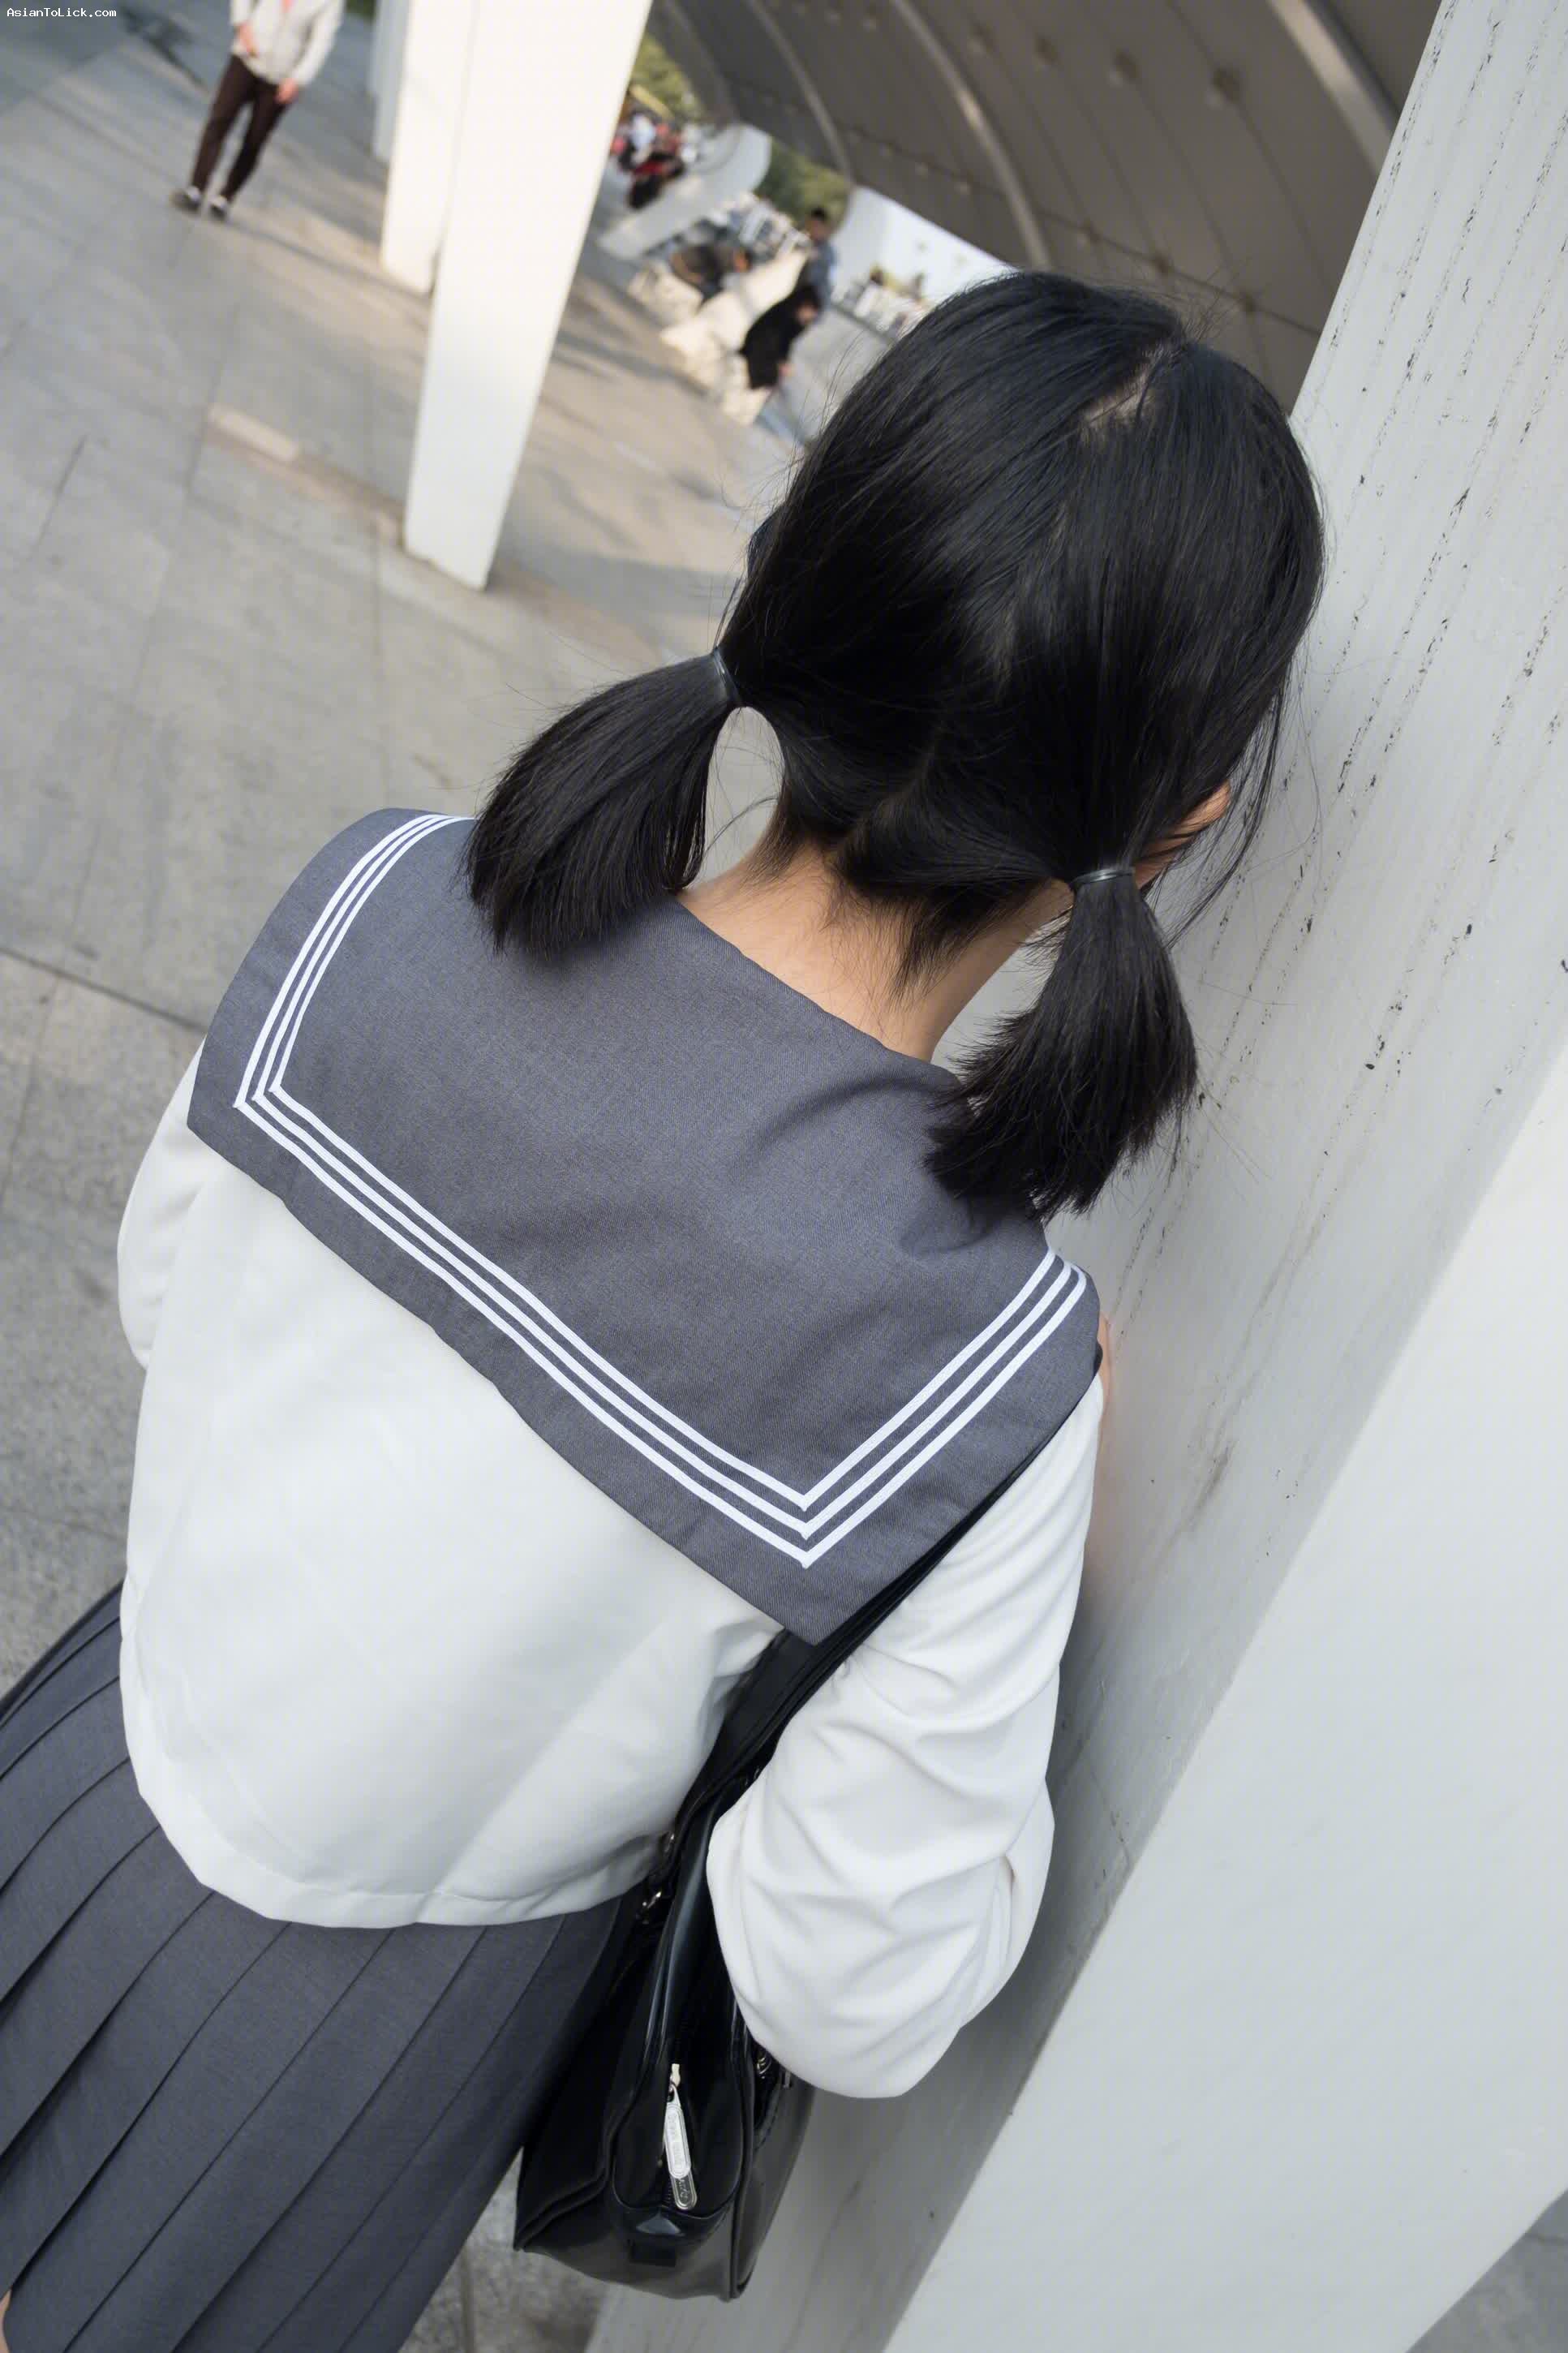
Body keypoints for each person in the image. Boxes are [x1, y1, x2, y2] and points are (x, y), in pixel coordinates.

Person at [0, 273, 1322, 2353]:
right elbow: (847, 1983)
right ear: (1180, 820)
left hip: (73, 1771)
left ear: (789, 573)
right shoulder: (977, 1374)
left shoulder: (382, 892)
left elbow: (173, 1289)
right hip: (346, 2068)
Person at [172, 0, 344, 221]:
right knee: (220, 120)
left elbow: (321, 43)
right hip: (247, 56)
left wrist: (298, 79)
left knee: (255, 138)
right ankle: (196, 188)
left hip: (282, 76)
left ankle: (225, 197)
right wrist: (243, 25)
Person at [741, 286, 820, 389]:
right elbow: (773, 339)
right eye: (810, 313)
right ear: (805, 305)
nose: (809, 318)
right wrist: (780, 361)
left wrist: (783, 360)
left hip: (761, 348)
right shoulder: (786, 314)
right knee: (769, 376)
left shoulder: (795, 321)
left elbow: (785, 343)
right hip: (756, 346)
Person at [793, 204, 839, 308]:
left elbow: (826, 286)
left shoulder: (827, 254)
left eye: (812, 225)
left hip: (808, 306)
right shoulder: (813, 247)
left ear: (822, 226)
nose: (809, 230)